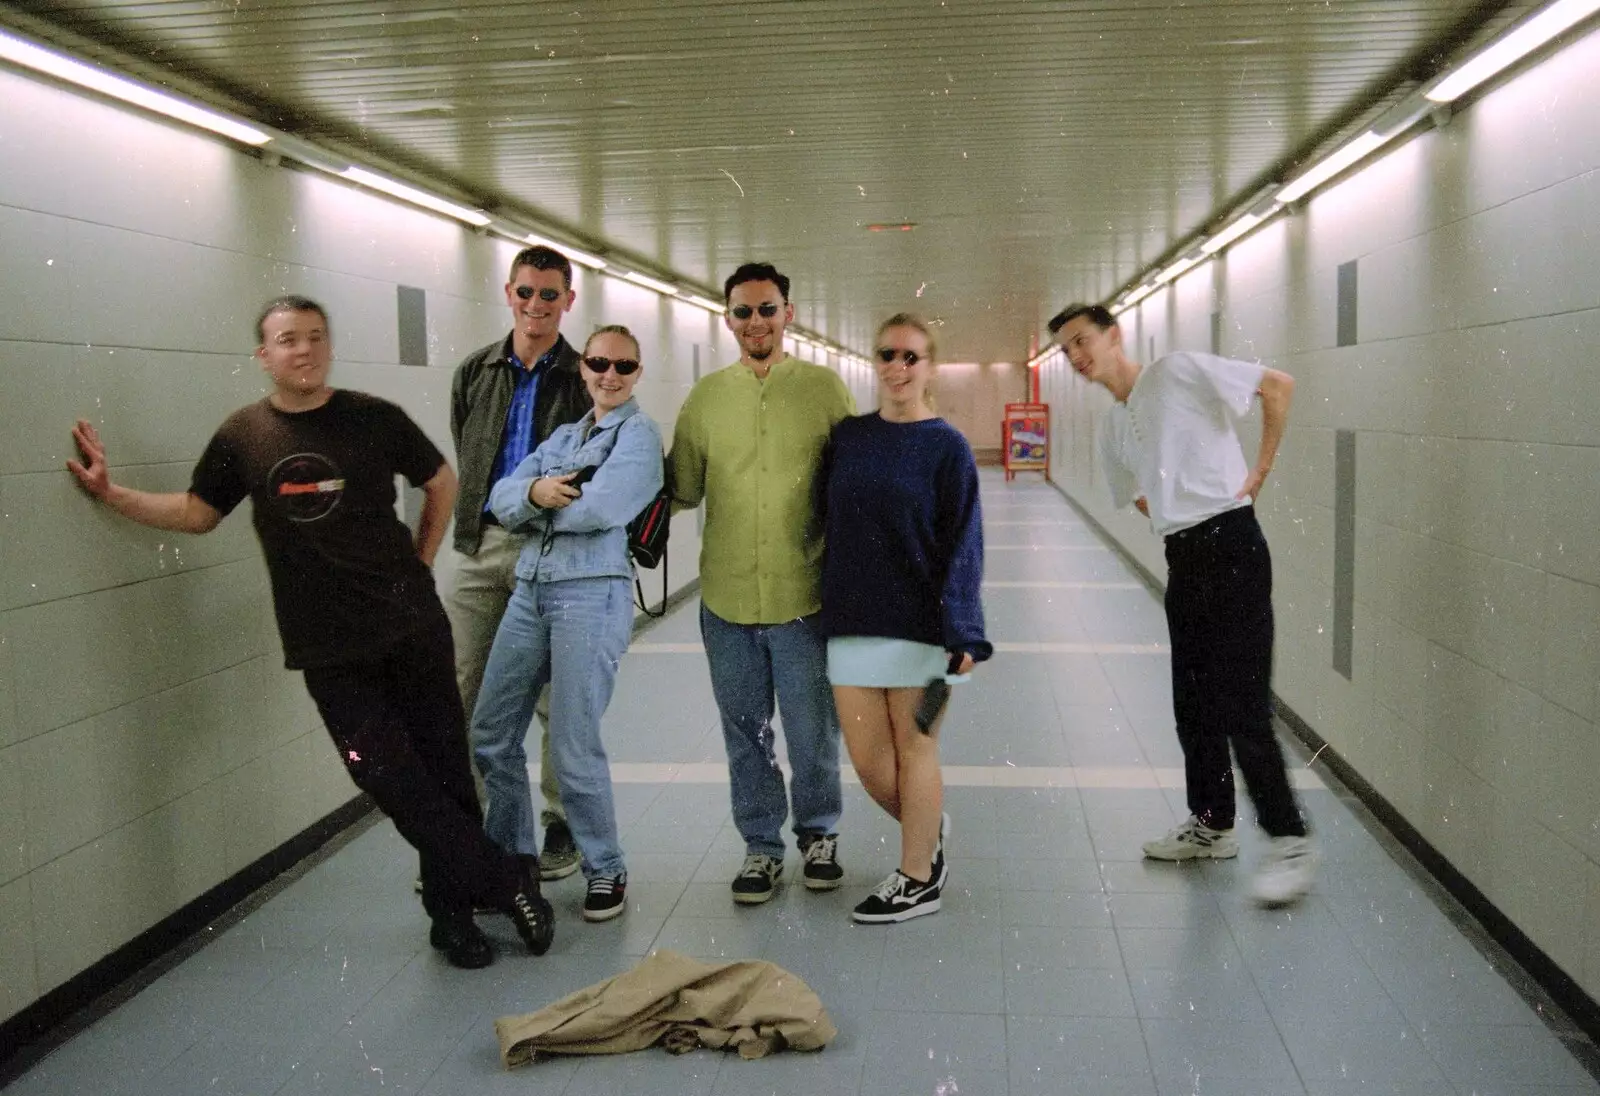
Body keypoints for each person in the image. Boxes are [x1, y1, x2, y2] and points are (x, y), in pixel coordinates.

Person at [64, 296, 554, 968]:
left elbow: (442, 481)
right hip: (329, 650)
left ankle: (453, 920)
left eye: (315, 337)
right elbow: (198, 512)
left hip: (411, 628)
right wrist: (111, 493)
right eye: (287, 339)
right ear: (263, 355)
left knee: (445, 774)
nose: (304, 349)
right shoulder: (244, 435)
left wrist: (419, 560)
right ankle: (504, 879)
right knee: (386, 777)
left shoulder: (373, 418)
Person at [1049, 301, 1316, 906]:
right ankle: (1213, 825)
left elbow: (1277, 386)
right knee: (1192, 702)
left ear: (1113, 335)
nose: (1077, 357)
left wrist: (1260, 469)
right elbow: (1136, 495)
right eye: (1066, 351)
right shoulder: (1113, 426)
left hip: (1233, 543)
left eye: (1082, 341)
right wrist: (1177, 519)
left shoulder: (1174, 372)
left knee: (1243, 704)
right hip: (1185, 555)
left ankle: (1290, 839)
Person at [667, 262, 856, 905]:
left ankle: (819, 834)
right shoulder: (706, 398)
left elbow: (852, 487)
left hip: (803, 596)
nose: (756, 323)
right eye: (743, 312)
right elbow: (682, 488)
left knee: (811, 733)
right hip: (726, 599)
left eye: (767, 309)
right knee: (744, 733)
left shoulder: (826, 390)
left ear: (788, 313)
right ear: (728, 319)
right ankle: (761, 847)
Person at [470, 326, 663, 923]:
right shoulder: (562, 436)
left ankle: (606, 867)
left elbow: (605, 507)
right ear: (583, 368)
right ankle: (512, 861)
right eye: (599, 363)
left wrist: (537, 503)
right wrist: (536, 490)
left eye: (623, 366)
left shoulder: (638, 435)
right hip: (531, 589)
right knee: (491, 733)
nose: (610, 375)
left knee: (573, 743)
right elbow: (498, 498)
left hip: (591, 594)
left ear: (636, 373)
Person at [822, 313, 990, 923]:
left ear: (930, 368)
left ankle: (917, 875)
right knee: (871, 765)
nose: (896, 366)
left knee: (915, 749)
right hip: (851, 620)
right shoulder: (848, 436)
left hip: (922, 629)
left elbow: (964, 540)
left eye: (910, 357)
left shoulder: (947, 446)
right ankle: (928, 831)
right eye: (886, 354)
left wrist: (965, 630)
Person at [446, 245, 592, 881]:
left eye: (550, 295)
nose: (536, 305)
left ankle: (564, 822)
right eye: (526, 292)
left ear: (568, 300)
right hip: (484, 550)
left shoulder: (586, 374)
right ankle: (475, 827)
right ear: (509, 293)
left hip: (553, 553)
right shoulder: (475, 371)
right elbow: (467, 446)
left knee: (559, 698)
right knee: (466, 685)